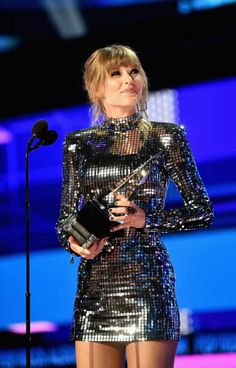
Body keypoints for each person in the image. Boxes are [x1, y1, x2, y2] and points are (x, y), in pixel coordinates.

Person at [56, 44, 213, 368]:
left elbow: (202, 210)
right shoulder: (77, 144)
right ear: (97, 86)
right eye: (116, 73)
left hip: (148, 282)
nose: (129, 79)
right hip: (95, 286)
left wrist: (146, 219)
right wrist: (76, 244)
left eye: (134, 71)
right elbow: (65, 219)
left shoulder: (167, 137)